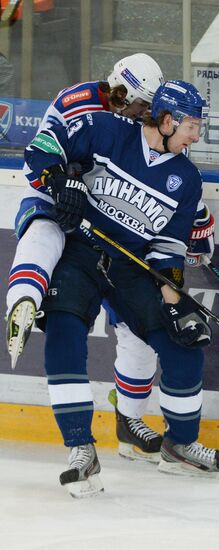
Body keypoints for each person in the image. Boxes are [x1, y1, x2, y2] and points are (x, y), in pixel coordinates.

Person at [23, 79, 219, 497]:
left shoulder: (186, 178)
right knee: (63, 333)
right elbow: (42, 148)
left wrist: (175, 301)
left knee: (183, 342)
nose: (196, 135)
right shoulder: (104, 129)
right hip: (80, 253)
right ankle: (81, 447)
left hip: (132, 267)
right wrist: (60, 179)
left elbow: (170, 249)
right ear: (167, 121)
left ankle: (180, 445)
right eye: (192, 125)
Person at [6, 53, 172, 463]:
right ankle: (23, 299)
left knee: (138, 332)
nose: (144, 113)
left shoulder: (146, 124)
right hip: (63, 202)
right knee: (42, 230)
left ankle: (128, 422)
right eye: (140, 104)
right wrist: (60, 180)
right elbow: (40, 151)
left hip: (113, 226)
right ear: (122, 91)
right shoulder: (75, 101)